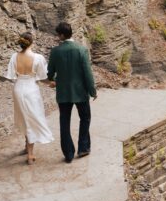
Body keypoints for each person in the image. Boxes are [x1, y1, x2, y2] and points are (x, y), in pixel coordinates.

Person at [47, 21, 97, 164]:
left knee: (64, 121)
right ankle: (83, 148)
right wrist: (92, 91)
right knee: (85, 118)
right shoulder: (81, 49)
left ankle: (68, 154)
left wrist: (55, 79)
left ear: (62, 35)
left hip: (63, 93)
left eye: (58, 34)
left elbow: (50, 73)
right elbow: (87, 73)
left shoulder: (55, 51)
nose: (57, 37)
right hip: (80, 92)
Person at [5, 32, 54, 165]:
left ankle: (27, 146)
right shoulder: (38, 58)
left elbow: (11, 76)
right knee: (32, 118)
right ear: (31, 42)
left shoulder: (14, 56)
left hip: (18, 88)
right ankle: (31, 154)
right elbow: (43, 77)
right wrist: (51, 83)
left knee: (24, 117)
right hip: (31, 89)